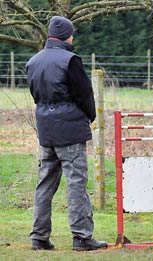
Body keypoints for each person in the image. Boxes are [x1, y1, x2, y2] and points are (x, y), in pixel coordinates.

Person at [26, 16, 107, 251]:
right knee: (76, 183)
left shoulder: (33, 61)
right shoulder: (70, 61)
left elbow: (36, 95)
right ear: (67, 36)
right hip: (70, 130)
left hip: (46, 129)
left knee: (45, 184)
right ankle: (82, 237)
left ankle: (39, 237)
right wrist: (89, 117)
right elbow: (84, 95)